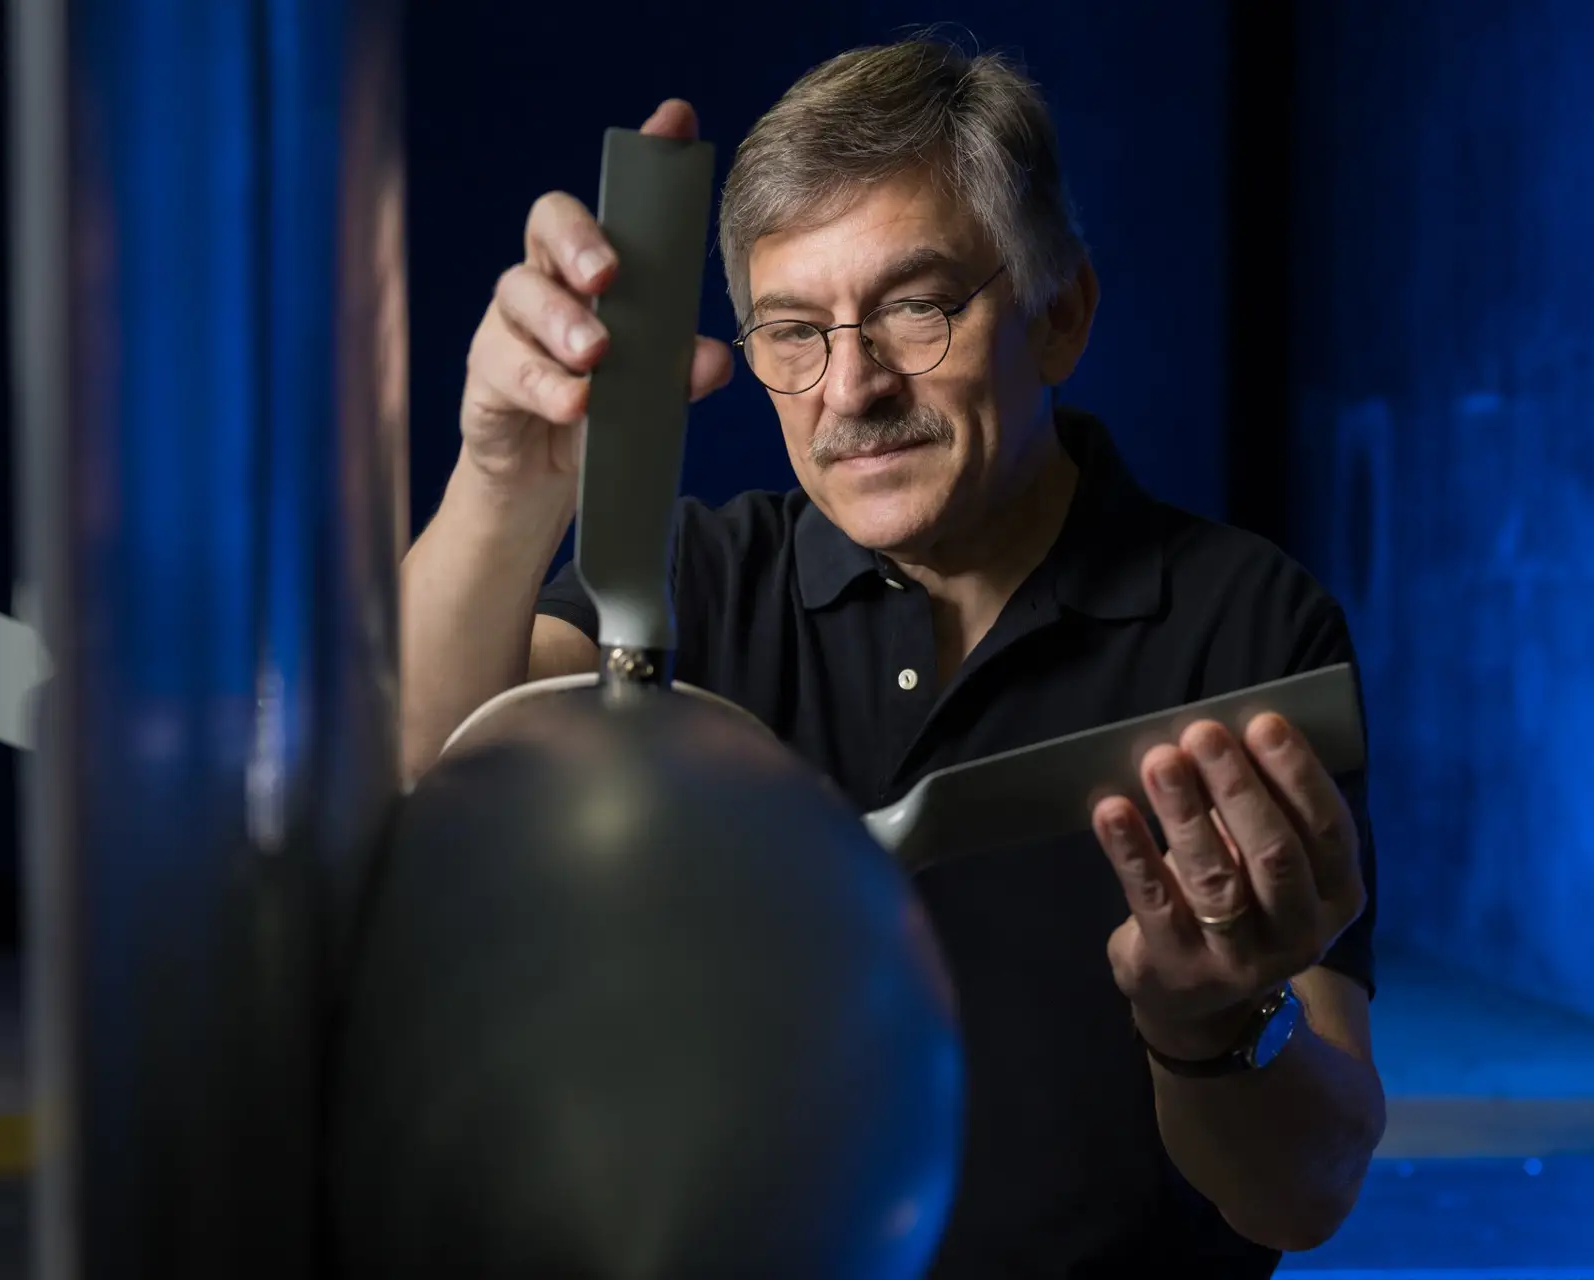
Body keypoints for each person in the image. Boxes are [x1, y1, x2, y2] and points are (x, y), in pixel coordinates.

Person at [401, 37, 1386, 1277]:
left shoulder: (1247, 631)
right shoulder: (694, 587)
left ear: (1061, 313)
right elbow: (401, 785)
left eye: (915, 308)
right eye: (793, 331)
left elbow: (1305, 1192)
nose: (849, 386)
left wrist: (1215, 1023)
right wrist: (504, 478)